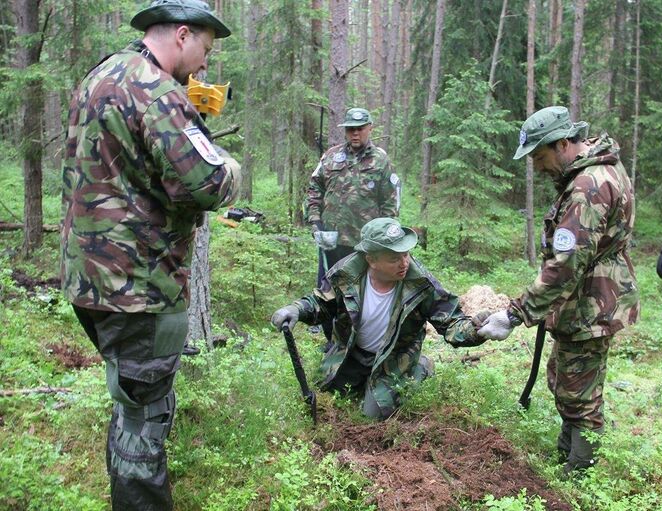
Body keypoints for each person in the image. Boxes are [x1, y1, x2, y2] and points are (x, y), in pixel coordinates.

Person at [60, 1, 241, 508]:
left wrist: (192, 122)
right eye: (205, 48)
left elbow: (125, 168)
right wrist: (227, 163)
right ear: (182, 35)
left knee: (130, 402)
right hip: (138, 287)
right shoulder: (157, 92)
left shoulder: (100, 75)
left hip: (88, 278)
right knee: (143, 418)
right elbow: (206, 185)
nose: (204, 64)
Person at [478, 106, 639, 475]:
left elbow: (566, 266)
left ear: (564, 143)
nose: (536, 166)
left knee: (579, 392)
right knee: (567, 379)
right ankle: (568, 453)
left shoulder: (586, 187)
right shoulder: (601, 167)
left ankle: (579, 472)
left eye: (539, 156)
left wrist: (514, 314)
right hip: (588, 300)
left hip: (590, 303)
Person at [271, 218, 491, 420]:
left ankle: (421, 367)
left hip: (394, 359)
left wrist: (476, 329)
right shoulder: (346, 274)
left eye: (406, 254)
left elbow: (451, 321)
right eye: (395, 258)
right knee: (329, 389)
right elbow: (321, 302)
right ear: (371, 260)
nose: (404, 263)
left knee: (373, 415)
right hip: (352, 355)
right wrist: (296, 309)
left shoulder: (421, 284)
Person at [304, 108, 401, 343]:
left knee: (362, 294)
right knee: (328, 291)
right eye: (350, 129)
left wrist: (386, 238)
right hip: (331, 240)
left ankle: (360, 342)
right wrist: (316, 222)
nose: (355, 134)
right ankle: (331, 340)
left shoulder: (381, 160)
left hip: (365, 245)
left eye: (359, 129)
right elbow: (314, 188)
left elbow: (390, 201)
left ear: (369, 128)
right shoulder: (330, 157)